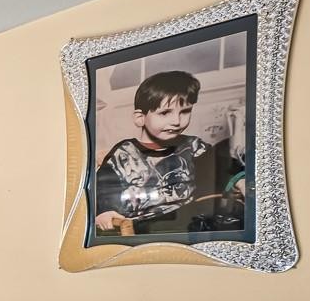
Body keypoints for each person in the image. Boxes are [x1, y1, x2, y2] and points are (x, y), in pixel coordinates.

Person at [93, 70, 245, 237]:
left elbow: (222, 167)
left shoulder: (193, 147)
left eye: (185, 111)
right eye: (165, 113)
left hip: (189, 225)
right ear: (140, 118)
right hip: (140, 229)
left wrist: (240, 180)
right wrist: (104, 211)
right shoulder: (123, 153)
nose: (177, 121)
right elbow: (102, 187)